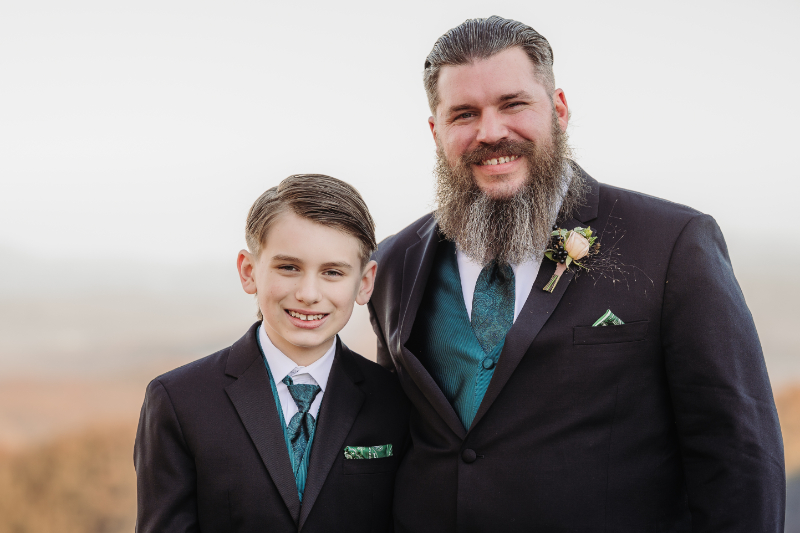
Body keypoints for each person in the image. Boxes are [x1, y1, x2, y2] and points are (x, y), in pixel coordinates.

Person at [368, 16, 785, 532]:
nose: (491, 131)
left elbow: (738, 452)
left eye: (513, 104)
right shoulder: (393, 261)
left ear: (559, 109)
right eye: (464, 114)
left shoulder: (672, 244)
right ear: (436, 132)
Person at [135, 174, 408, 532]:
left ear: (365, 282)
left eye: (332, 272)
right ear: (249, 272)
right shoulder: (179, 400)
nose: (309, 293)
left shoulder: (395, 400)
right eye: (289, 267)